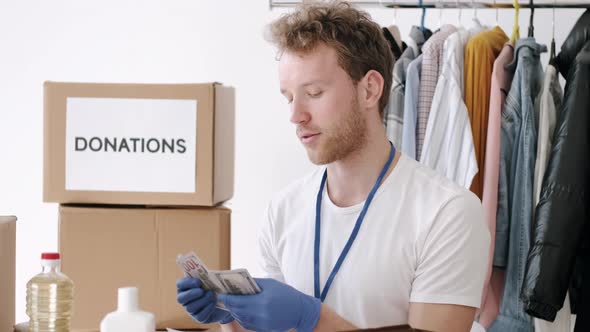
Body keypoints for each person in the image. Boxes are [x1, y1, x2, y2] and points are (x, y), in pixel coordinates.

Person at [176, 2, 490, 331]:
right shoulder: (283, 210)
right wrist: (232, 316)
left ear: (370, 89)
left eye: (313, 92)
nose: (296, 115)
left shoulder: (447, 214)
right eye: (289, 97)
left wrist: (312, 317)